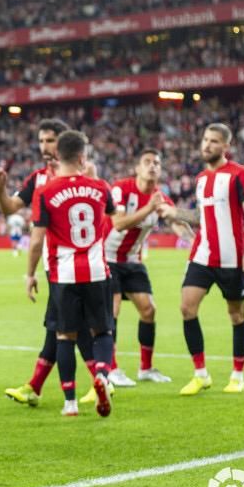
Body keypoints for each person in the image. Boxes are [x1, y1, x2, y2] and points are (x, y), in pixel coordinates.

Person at [0, 120, 104, 415]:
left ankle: (90, 382)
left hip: (71, 266)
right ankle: (43, 385)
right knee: (59, 328)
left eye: (51, 141)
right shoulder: (37, 179)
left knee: (67, 330)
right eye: (42, 141)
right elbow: (9, 208)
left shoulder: (86, 174)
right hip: (55, 267)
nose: (45, 147)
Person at [156, 123, 244, 395]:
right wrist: (174, 212)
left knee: (236, 315)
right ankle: (200, 374)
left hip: (232, 258)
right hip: (202, 255)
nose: (207, 145)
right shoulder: (201, 179)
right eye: (205, 140)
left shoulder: (240, 174)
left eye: (214, 141)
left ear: (226, 146)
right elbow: (202, 218)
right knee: (187, 308)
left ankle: (237, 375)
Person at [26, 130, 116, 418]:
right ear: (82, 156)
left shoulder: (46, 191)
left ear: (58, 155)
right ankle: (102, 374)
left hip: (63, 274)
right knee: (102, 331)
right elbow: (112, 217)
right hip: (97, 270)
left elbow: (37, 240)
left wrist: (30, 274)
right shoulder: (100, 187)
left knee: (65, 335)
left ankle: (70, 402)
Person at [88, 149, 192, 395]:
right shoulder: (121, 189)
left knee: (149, 309)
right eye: (147, 162)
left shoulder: (161, 198)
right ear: (137, 168)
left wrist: (194, 239)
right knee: (112, 309)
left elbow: (177, 223)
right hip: (107, 257)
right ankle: (111, 369)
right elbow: (119, 223)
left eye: (157, 162)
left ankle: (146, 368)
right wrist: (150, 210)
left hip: (132, 260)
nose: (152, 166)